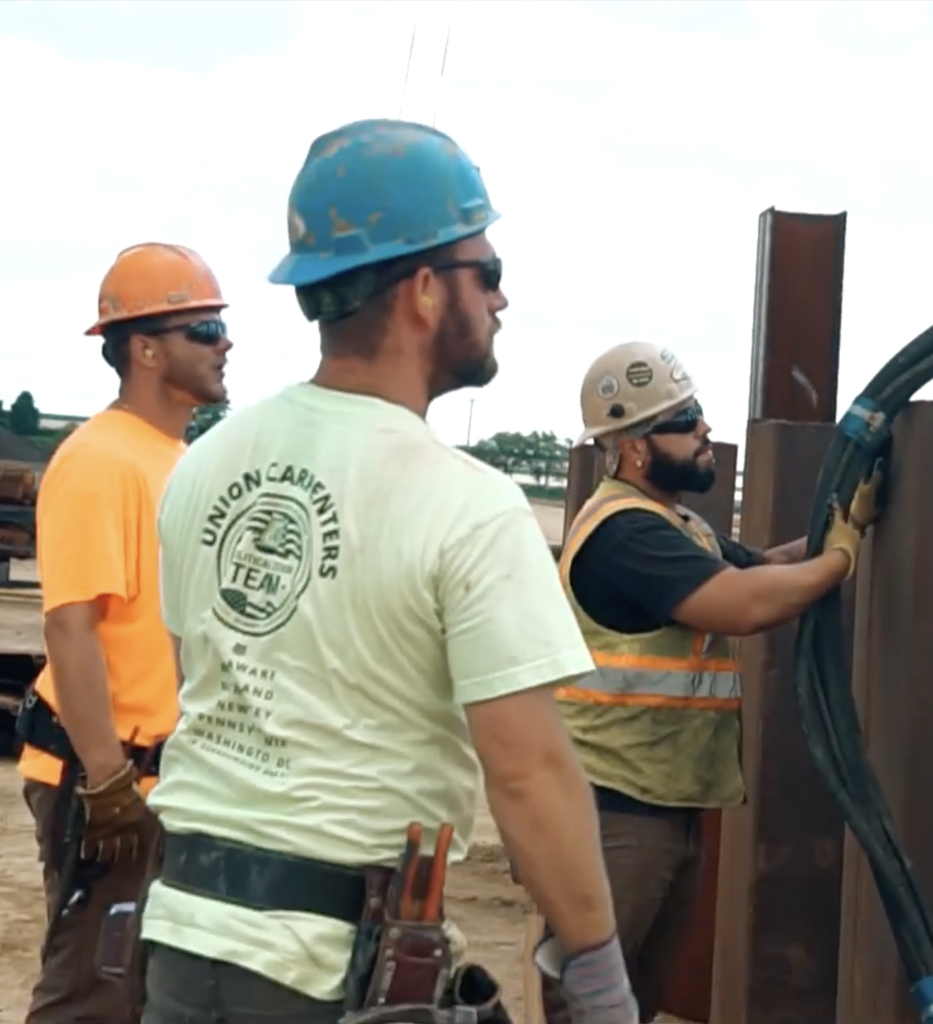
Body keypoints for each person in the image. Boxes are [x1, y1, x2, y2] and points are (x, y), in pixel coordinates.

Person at [138, 118, 637, 1024]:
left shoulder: (206, 466)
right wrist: (599, 981)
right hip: (327, 974)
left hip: (183, 943)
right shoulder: (466, 502)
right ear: (420, 287)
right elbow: (526, 772)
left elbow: (205, 675)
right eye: (486, 272)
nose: (500, 299)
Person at [539, 340, 886, 1024]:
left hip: (657, 801)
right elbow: (744, 604)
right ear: (636, 447)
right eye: (685, 418)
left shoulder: (677, 524)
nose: (704, 429)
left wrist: (845, 527)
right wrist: (841, 560)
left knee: (630, 997)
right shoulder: (626, 536)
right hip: (616, 808)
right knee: (588, 1000)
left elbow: (758, 569)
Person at [15, 242, 232, 1024]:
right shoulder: (101, 460)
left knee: (139, 997)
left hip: (157, 781)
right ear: (145, 348)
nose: (225, 343)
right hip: (105, 780)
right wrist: (106, 781)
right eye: (204, 328)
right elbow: (71, 623)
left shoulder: (174, 458)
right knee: (90, 998)